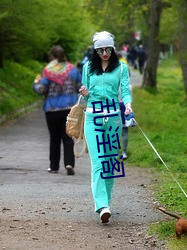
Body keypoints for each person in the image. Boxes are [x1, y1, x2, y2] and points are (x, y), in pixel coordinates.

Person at [79, 31, 132, 223]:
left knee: (110, 163)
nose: (104, 53)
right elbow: (85, 97)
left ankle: (107, 201)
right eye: (100, 50)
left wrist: (127, 104)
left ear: (113, 48)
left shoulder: (121, 68)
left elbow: (125, 90)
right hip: (93, 117)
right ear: (95, 50)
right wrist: (84, 92)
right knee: (98, 162)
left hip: (113, 118)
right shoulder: (87, 68)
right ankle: (101, 205)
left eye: (108, 49)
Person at [33, 45, 82, 175]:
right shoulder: (73, 70)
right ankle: (69, 163)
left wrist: (36, 83)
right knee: (68, 137)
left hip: (52, 109)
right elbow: (80, 87)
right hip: (69, 109)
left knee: (54, 138)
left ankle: (54, 166)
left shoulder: (48, 71)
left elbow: (41, 90)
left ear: (52, 57)